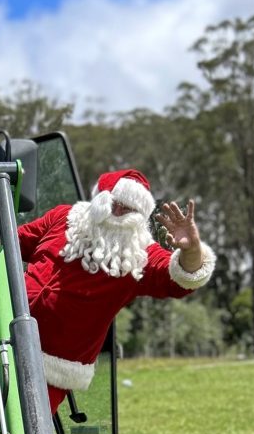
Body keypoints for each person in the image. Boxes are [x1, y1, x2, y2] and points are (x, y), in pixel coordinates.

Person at [18, 168, 215, 412]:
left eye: (128, 208)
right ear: (100, 198)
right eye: (114, 203)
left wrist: (191, 250)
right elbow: (14, 241)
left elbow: (180, 279)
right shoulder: (63, 217)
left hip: (48, 369)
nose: (119, 212)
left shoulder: (139, 254)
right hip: (0, 339)